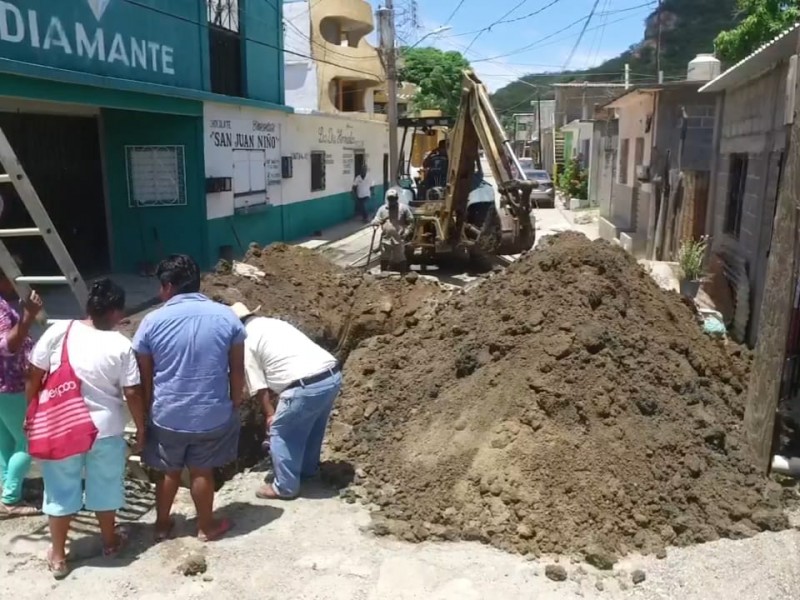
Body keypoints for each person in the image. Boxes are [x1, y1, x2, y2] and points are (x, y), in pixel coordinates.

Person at [27, 279, 146, 579]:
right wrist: (142, 429)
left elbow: (34, 374)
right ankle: (109, 542)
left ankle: (57, 555)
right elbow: (132, 393)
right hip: (105, 431)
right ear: (116, 312)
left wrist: (33, 411)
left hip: (61, 427)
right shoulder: (121, 344)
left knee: (60, 489)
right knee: (105, 486)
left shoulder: (59, 331)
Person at [133, 254, 245, 543]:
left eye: (161, 287)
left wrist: (147, 412)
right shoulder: (227, 316)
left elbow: (145, 376)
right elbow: (237, 371)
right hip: (212, 415)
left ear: (169, 286)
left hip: (167, 413)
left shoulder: (151, 321)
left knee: (168, 471)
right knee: (201, 469)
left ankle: (161, 525)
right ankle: (206, 527)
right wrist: (234, 403)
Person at [229, 302, 341, 500]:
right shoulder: (273, 324)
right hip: (331, 376)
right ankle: (307, 471)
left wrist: (271, 414)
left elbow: (258, 386)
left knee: (279, 431)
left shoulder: (245, 340)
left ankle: (285, 487)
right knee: (313, 426)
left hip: (305, 385)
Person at [0, 265, 42, 518]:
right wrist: (28, 317)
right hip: (11, 386)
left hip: (4, 387)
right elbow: (7, 344)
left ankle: (8, 487)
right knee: (28, 442)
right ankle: (10, 499)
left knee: (6, 441)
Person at [372, 188, 414, 273]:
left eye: (393, 198)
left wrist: (407, 232)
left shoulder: (403, 208)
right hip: (386, 238)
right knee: (384, 257)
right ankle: (383, 275)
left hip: (399, 238)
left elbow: (411, 222)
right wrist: (375, 222)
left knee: (400, 257)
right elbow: (377, 219)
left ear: (397, 198)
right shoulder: (383, 209)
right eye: (390, 199)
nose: (391, 201)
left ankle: (403, 275)